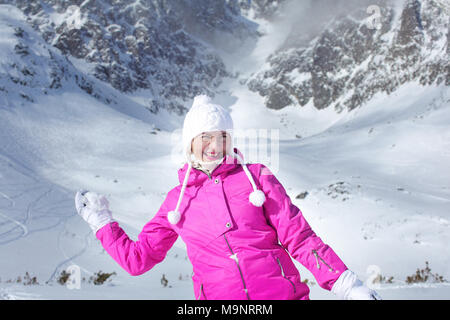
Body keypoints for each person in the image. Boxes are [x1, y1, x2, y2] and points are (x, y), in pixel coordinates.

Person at [75, 95, 381, 300]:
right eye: (205, 137)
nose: (214, 145)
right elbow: (138, 260)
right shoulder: (177, 203)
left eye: (222, 137)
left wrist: (347, 284)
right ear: (189, 143)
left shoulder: (257, 178)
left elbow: (299, 238)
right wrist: (102, 222)